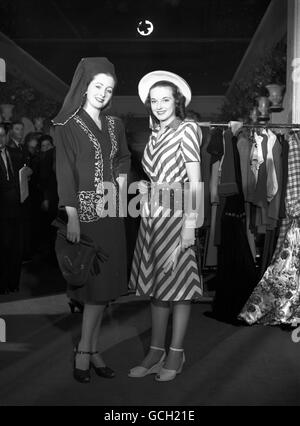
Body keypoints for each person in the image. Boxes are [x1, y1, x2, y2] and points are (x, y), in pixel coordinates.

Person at [53, 57, 131, 383]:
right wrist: (71, 214)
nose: (102, 93)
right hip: (85, 216)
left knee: (106, 288)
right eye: (98, 86)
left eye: (108, 89)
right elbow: (65, 173)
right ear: (85, 87)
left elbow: (124, 157)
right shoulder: (67, 126)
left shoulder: (116, 125)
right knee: (95, 289)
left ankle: (92, 348)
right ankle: (85, 350)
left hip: (111, 213)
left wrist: (122, 184)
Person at [129, 71, 203, 382]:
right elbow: (157, 175)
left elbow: (195, 182)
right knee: (158, 289)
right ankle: (155, 351)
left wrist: (189, 228)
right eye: (154, 100)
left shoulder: (187, 129)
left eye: (165, 99)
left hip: (178, 216)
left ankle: (176, 353)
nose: (159, 105)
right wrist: (148, 189)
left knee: (180, 287)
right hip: (153, 217)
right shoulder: (155, 133)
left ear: (177, 102)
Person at [0, 124, 23, 294]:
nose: (0, 139)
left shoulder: (15, 153)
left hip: (17, 210)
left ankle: (13, 283)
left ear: (7, 136)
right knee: (3, 248)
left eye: (2, 135)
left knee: (16, 247)